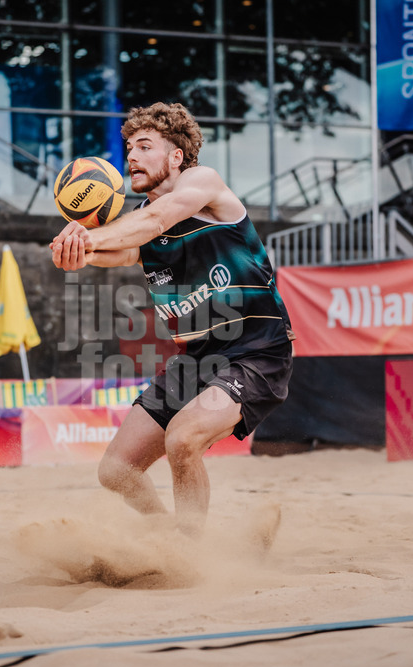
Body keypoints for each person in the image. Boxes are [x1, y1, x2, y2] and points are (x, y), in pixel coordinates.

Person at [50, 102, 295, 534]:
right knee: (116, 470)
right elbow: (123, 247)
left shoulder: (203, 183)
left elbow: (155, 219)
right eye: (129, 147)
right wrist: (75, 252)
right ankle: (166, 538)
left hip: (257, 352)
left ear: (176, 156)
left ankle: (191, 553)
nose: (131, 156)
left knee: (183, 439)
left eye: (145, 146)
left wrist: (88, 237)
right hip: (197, 359)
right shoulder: (142, 224)